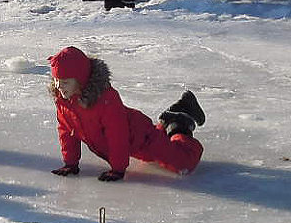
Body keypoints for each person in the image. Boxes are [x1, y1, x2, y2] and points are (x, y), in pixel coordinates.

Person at [47, 46, 205, 182]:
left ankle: (181, 120)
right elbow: (67, 131)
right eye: (56, 81)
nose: (59, 87)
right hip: (131, 144)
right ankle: (167, 121)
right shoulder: (64, 102)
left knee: (183, 162)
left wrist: (118, 169)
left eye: (65, 82)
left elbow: (118, 135)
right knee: (151, 158)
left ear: (80, 80)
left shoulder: (106, 99)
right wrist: (71, 163)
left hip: (142, 136)